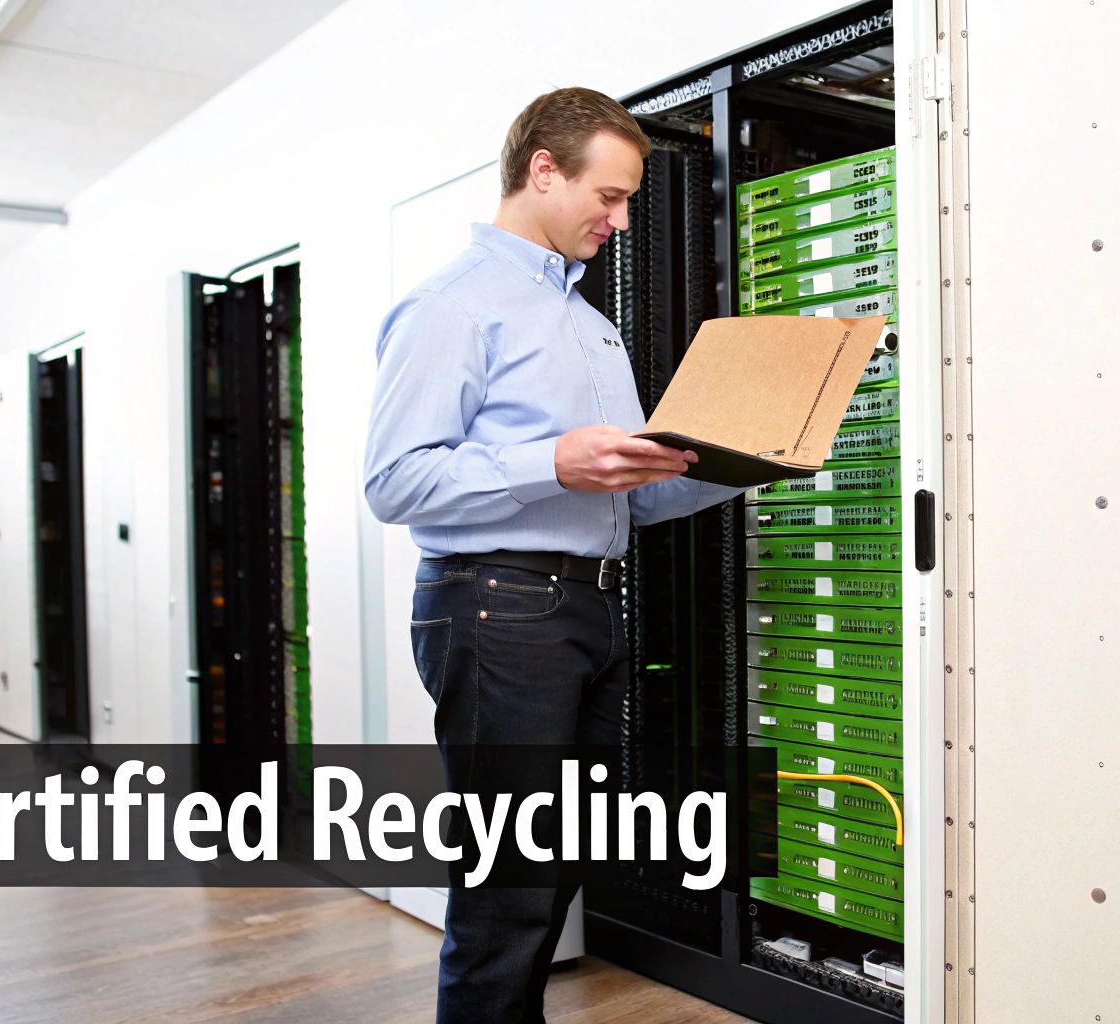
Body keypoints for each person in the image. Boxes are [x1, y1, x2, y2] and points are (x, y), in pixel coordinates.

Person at [362, 86, 744, 1022]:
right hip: (496, 610)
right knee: (510, 881)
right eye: (609, 198)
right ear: (543, 170)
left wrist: (744, 462)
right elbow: (395, 482)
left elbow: (628, 495)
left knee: (564, 853)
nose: (619, 219)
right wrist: (551, 461)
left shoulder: (586, 321)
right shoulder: (453, 306)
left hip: (583, 606)